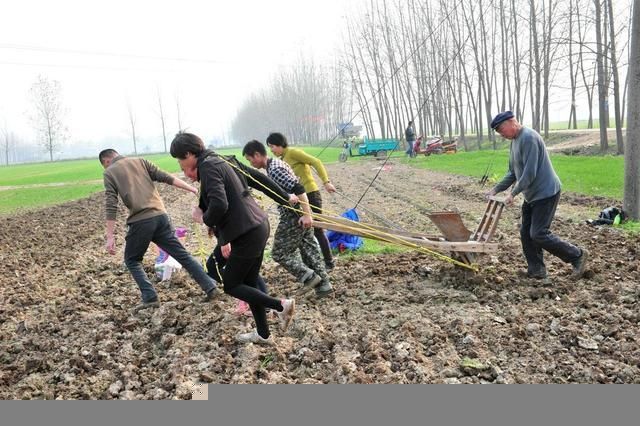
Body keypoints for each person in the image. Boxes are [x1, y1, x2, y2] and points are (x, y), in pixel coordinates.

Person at [170, 133, 296, 345]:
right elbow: (258, 179)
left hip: (246, 232)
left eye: (181, 160)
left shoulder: (208, 167)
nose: (182, 165)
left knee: (231, 285)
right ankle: (263, 334)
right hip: (257, 226)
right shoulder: (222, 160)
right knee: (248, 283)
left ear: (189, 154)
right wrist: (284, 197)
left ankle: (281, 305)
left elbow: (219, 204)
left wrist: (204, 219)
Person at [99, 148, 218, 312]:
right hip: (161, 216)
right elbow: (166, 177)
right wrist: (192, 189)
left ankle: (150, 297)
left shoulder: (109, 172)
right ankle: (210, 286)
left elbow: (111, 204)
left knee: (132, 260)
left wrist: (110, 235)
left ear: (106, 162)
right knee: (182, 255)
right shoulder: (140, 161)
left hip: (140, 220)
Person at [487, 111, 589, 281]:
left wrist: (512, 194)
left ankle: (577, 255)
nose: (501, 134)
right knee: (526, 233)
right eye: (498, 131)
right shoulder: (514, 143)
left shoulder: (529, 138)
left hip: (546, 192)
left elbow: (529, 173)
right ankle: (537, 270)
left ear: (512, 122)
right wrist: (495, 190)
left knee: (538, 234)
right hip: (531, 195)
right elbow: (513, 172)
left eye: (501, 129)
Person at [243, 140, 333, 297]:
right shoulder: (275, 164)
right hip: (299, 214)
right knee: (309, 250)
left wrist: (307, 215)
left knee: (279, 253)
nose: (251, 163)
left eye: (250, 159)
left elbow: (299, 188)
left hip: (293, 217)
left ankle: (309, 277)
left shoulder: (275, 169)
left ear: (257, 154)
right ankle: (324, 286)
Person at [265, 132, 337, 270]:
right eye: (269, 148)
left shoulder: (293, 153)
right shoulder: (282, 159)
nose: (271, 150)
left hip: (309, 193)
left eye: (272, 146)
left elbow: (316, 161)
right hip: (298, 197)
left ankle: (328, 262)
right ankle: (311, 264)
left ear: (280, 144)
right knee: (303, 231)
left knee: (317, 229)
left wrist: (326, 182)